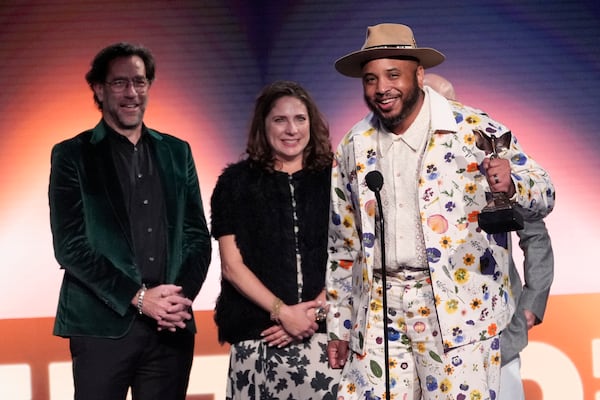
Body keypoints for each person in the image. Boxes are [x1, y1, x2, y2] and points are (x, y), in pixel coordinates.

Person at [325, 23, 555, 400]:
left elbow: (545, 192)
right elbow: (342, 242)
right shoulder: (354, 143)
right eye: (370, 79)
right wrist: (339, 324)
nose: (382, 88)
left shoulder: (473, 129)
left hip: (459, 309)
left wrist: (513, 185)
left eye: (393, 75)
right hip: (380, 310)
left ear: (419, 75)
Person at [48, 42, 211, 400]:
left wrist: (176, 301)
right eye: (120, 83)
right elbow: (70, 247)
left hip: (170, 328)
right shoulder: (72, 154)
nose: (131, 92)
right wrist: (139, 298)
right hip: (101, 328)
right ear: (99, 89)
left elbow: (197, 236)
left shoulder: (177, 150)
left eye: (139, 82)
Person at [424, 73, 555, 400]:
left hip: (496, 332)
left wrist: (532, 301)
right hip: (426, 337)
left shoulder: (489, 164)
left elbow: (535, 234)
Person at [210, 80, 341, 399]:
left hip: (325, 340)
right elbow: (231, 265)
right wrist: (283, 312)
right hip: (260, 341)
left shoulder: (336, 178)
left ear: (312, 123)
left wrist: (314, 313)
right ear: (263, 125)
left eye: (300, 118)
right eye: (279, 119)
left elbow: (353, 255)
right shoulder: (234, 183)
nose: (291, 129)